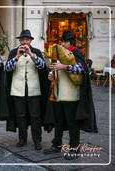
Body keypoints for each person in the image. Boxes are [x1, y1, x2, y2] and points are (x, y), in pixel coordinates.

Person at [43, 30, 97, 160]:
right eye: (61, 41)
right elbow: (56, 71)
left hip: (71, 95)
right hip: (58, 94)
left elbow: (83, 70)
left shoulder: (76, 53)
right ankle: (57, 144)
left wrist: (64, 67)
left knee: (73, 123)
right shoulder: (59, 53)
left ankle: (74, 149)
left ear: (69, 42)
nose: (61, 43)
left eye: (63, 41)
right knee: (59, 122)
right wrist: (51, 75)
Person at [5, 29, 49, 150]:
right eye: (23, 39)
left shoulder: (36, 52)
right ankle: (22, 139)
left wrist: (32, 54)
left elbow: (42, 66)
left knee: (35, 116)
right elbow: (7, 69)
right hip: (17, 90)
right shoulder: (14, 52)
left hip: (34, 90)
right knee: (20, 116)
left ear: (30, 41)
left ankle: (37, 140)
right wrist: (17, 57)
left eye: (27, 40)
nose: (25, 42)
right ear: (20, 41)